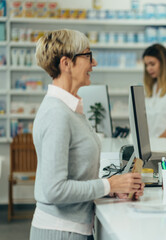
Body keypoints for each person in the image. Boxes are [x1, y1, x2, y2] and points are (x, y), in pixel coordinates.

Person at [30, 29, 145, 240]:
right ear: (66, 63)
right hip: (60, 232)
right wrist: (110, 184)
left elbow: (77, 176)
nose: (95, 63)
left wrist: (111, 190)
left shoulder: (70, 109)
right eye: (88, 56)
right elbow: (54, 189)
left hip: (73, 228)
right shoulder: (57, 114)